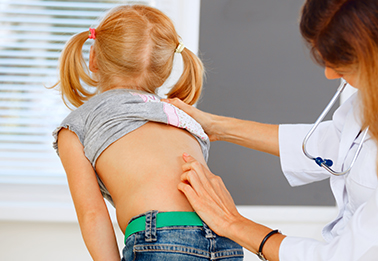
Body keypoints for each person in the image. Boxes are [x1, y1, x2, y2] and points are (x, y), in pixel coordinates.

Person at [165, 0, 378, 260]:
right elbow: (337, 144)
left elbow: (346, 257)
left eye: (345, 66)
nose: (329, 74)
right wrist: (217, 126)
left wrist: (232, 223)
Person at [50, 5, 243, 261]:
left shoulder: (78, 124)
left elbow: (93, 215)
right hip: (224, 234)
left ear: (93, 58)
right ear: (164, 71)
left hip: (162, 239)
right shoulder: (181, 116)